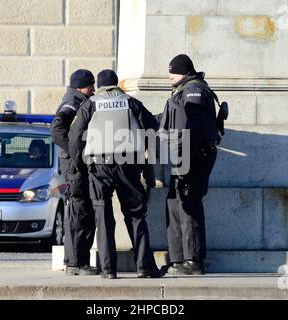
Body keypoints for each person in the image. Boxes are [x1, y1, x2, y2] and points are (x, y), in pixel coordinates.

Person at [68, 69, 162, 279]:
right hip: (128, 163)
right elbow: (152, 126)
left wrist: (78, 163)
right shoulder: (130, 101)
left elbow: (74, 135)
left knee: (103, 216)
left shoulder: (90, 104)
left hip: (99, 166)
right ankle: (145, 267)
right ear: (116, 83)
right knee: (136, 215)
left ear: (99, 86)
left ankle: (108, 270)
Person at [159, 54, 219, 275]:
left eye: (173, 72)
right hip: (183, 158)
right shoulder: (181, 91)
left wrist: (184, 161)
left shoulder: (194, 91)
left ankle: (193, 262)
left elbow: (192, 128)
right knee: (175, 204)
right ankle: (178, 260)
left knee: (189, 205)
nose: (170, 76)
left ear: (184, 72)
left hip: (193, 157)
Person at [50, 69, 98, 276]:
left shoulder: (76, 99)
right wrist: (75, 152)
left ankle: (76, 262)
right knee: (80, 214)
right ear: (82, 87)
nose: (93, 90)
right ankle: (76, 263)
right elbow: (57, 127)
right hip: (75, 168)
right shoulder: (73, 101)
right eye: (91, 86)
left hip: (75, 166)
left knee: (79, 213)